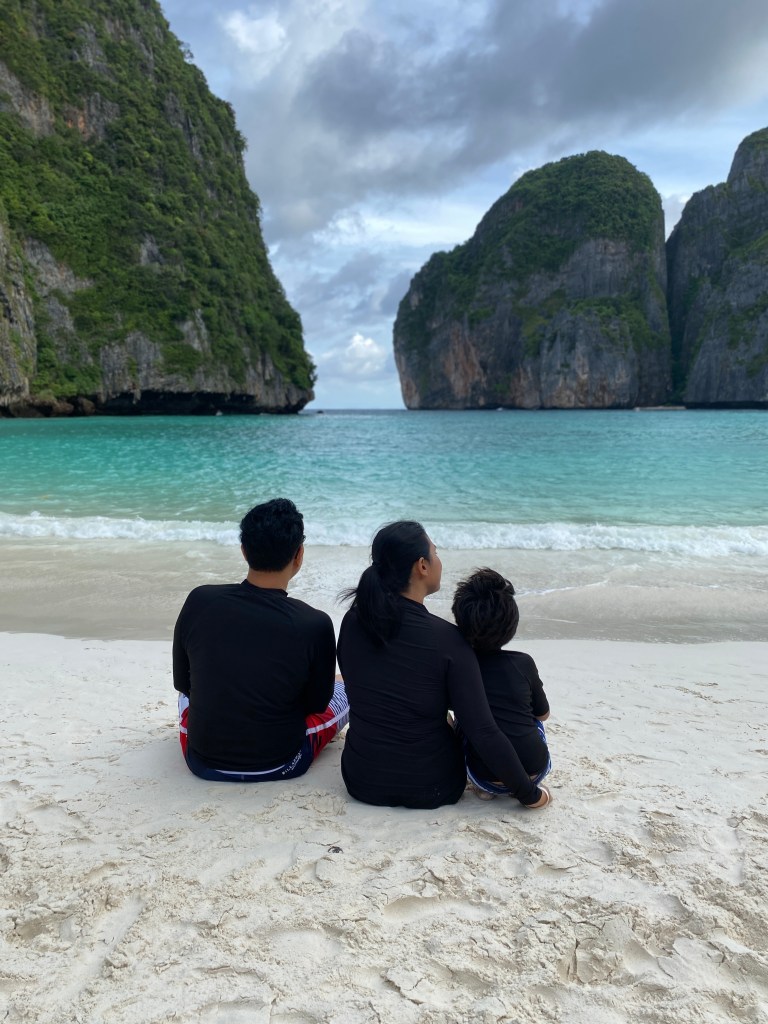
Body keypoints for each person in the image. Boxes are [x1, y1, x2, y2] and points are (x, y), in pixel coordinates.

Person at [336, 521, 551, 810]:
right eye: (435, 553)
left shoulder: (352, 621)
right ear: (422, 566)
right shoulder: (448, 640)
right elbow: (484, 732)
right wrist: (530, 794)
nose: (439, 561)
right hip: (433, 786)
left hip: (361, 779)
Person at [173, 497, 349, 782]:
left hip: (201, 759)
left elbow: (182, 684)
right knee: (345, 688)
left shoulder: (199, 600)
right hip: (281, 760)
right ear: (299, 555)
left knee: (192, 688)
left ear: (244, 551)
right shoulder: (314, 623)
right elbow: (317, 704)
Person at [452, 568, 551, 799]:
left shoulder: (459, 666)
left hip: (484, 776)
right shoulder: (524, 662)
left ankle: (483, 790)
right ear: (512, 625)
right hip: (536, 772)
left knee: (461, 720)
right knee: (533, 719)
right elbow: (543, 715)